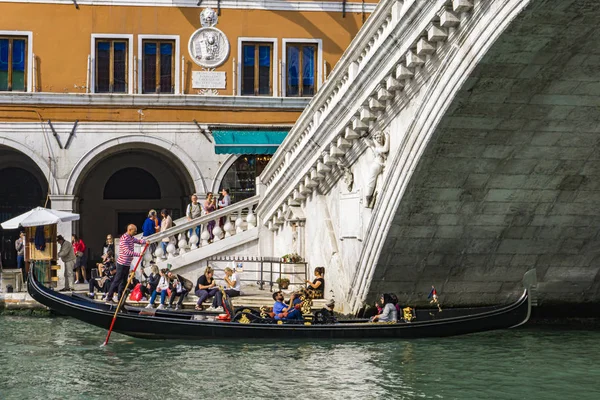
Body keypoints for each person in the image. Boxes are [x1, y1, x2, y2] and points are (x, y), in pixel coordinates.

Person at [105, 224, 147, 304]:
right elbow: (126, 251)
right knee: (117, 280)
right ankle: (109, 297)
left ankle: (121, 300)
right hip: (122, 264)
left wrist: (145, 241)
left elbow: (138, 241)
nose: (135, 232)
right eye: (134, 231)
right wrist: (139, 254)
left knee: (123, 282)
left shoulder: (131, 237)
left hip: (127, 264)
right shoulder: (124, 238)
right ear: (129, 230)